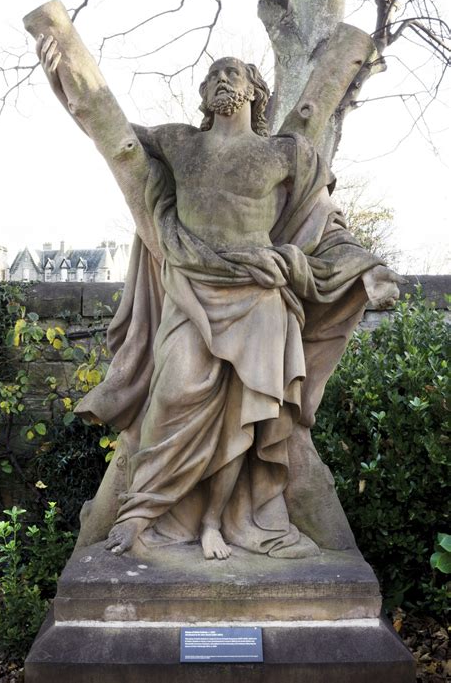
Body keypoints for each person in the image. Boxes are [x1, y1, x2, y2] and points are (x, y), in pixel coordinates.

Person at [38, 37, 400, 560]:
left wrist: (374, 272)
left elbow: (327, 227)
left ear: (256, 90)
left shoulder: (288, 153)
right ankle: (142, 512)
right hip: (192, 293)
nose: (223, 79)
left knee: (245, 419)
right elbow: (106, 128)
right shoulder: (179, 143)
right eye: (213, 76)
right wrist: (65, 78)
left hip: (261, 301)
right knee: (171, 395)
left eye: (233, 72)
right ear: (204, 96)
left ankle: (214, 523)